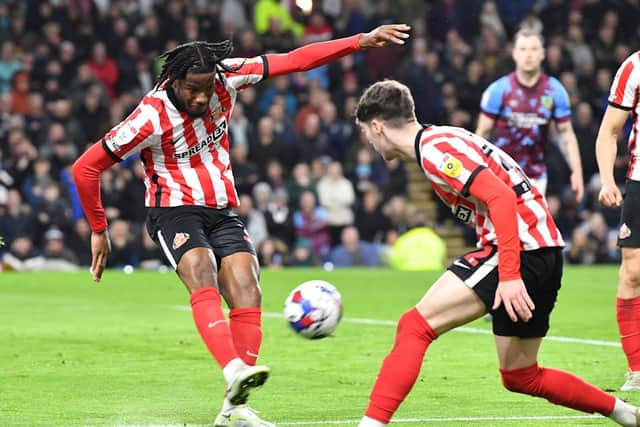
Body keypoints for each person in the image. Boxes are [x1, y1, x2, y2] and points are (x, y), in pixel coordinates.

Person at [71, 25, 411, 427]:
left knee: (248, 286)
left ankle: (235, 410)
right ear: (174, 81)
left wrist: (359, 41)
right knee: (202, 270)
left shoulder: (227, 75)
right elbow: (85, 168)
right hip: (174, 209)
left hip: (222, 208)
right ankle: (233, 370)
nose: (201, 96)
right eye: (192, 90)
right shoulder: (150, 115)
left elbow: (296, 60)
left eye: (206, 88)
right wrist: (98, 228)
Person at [354, 80, 639, 427]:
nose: (368, 141)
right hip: (544, 249)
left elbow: (501, 198)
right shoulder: (442, 138)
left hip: (521, 248)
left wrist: (509, 275)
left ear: (378, 126)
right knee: (520, 375)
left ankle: (370, 424)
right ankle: (624, 413)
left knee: (414, 326)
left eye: (366, 133)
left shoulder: (435, 151)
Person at [475, 27, 584, 201]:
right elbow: (481, 135)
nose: (528, 55)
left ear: (542, 54)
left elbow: (566, 134)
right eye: (523, 49)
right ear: (514, 53)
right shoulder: (498, 90)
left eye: (534, 49)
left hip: (536, 178)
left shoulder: (554, 90)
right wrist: (477, 173)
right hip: (499, 176)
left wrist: (577, 172)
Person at [596, 50, 640, 391]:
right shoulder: (634, 67)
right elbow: (610, 131)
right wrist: (608, 181)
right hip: (639, 181)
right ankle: (637, 368)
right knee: (633, 271)